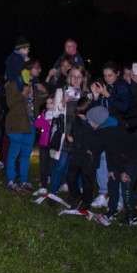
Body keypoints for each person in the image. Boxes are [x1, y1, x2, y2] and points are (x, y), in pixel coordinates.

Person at [86, 106, 137, 226]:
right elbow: (109, 151)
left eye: (90, 120)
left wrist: (122, 172)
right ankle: (112, 211)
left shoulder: (110, 131)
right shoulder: (104, 128)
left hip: (133, 158)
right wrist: (111, 169)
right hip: (121, 158)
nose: (88, 122)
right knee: (112, 182)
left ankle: (132, 216)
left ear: (97, 121)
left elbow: (116, 153)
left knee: (126, 186)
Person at [4, 59, 47, 191]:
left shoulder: (33, 84)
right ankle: (11, 180)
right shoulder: (13, 83)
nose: (39, 70)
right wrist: (23, 92)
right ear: (28, 69)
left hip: (30, 125)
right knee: (13, 153)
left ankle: (24, 180)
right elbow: (10, 103)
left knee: (26, 154)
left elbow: (37, 103)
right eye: (37, 68)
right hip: (17, 124)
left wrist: (44, 92)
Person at [48, 65, 89, 194]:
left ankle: (79, 192)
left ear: (83, 79)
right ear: (69, 77)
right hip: (65, 135)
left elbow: (90, 117)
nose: (76, 79)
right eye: (73, 76)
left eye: (79, 77)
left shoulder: (86, 94)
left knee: (80, 165)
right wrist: (63, 102)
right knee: (61, 165)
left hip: (81, 136)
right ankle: (52, 193)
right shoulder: (61, 91)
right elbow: (54, 114)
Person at [65, 97, 102, 211]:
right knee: (70, 176)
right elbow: (72, 134)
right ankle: (76, 195)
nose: (80, 115)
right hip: (76, 154)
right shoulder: (77, 121)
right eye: (78, 113)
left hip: (88, 157)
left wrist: (94, 150)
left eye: (82, 113)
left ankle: (86, 202)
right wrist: (69, 139)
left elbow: (101, 139)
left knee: (87, 180)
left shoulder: (94, 123)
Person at [34, 95, 56, 191]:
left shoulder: (57, 114)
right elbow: (37, 124)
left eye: (51, 103)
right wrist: (44, 119)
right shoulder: (44, 113)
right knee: (43, 165)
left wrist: (52, 122)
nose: (48, 105)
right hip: (43, 143)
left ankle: (53, 184)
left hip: (53, 143)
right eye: (47, 103)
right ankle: (43, 185)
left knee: (52, 165)